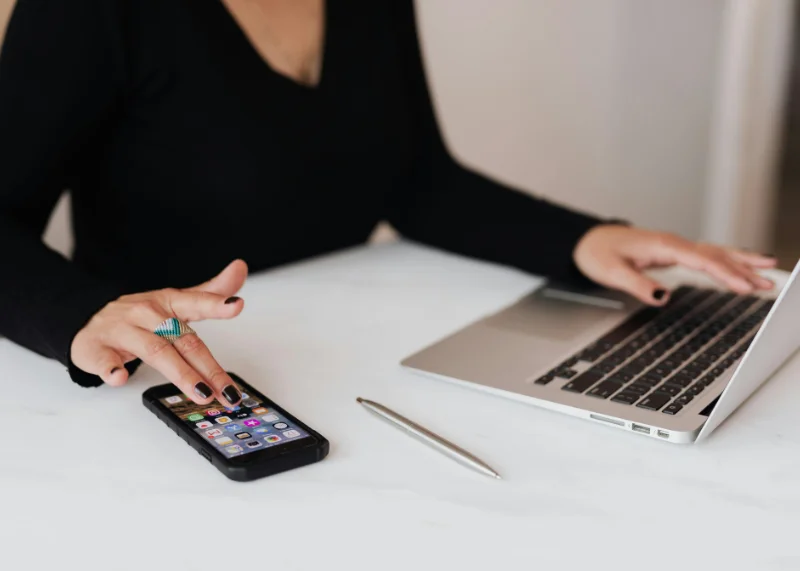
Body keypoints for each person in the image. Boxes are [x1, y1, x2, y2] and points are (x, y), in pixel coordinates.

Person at [0, 0, 775, 409]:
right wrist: (84, 316)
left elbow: (414, 178)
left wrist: (588, 238)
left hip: (358, 367)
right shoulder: (89, 8)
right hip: (162, 386)